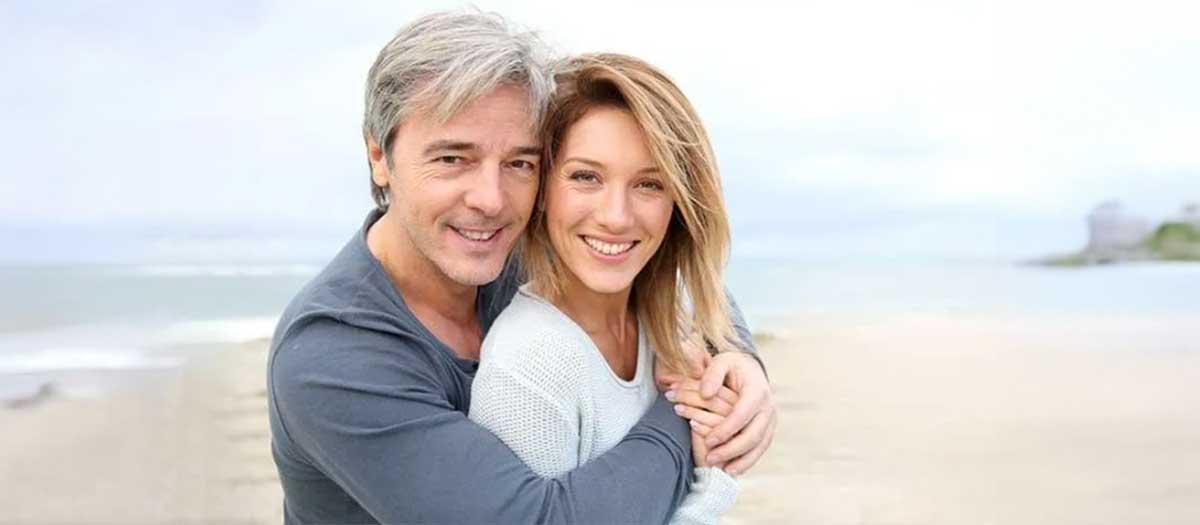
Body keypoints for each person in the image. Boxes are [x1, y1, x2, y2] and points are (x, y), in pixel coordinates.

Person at [267, 11, 776, 524]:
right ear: (380, 156)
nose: (491, 200)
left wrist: (738, 358)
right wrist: (685, 411)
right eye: (453, 159)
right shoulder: (331, 355)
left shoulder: (509, 250)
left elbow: (664, 273)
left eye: (519, 163)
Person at [468, 53, 748, 524]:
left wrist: (737, 369)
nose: (616, 216)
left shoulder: (673, 317)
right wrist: (715, 477)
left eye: (649, 184)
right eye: (586, 177)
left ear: (679, 204)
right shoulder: (530, 365)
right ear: (542, 189)